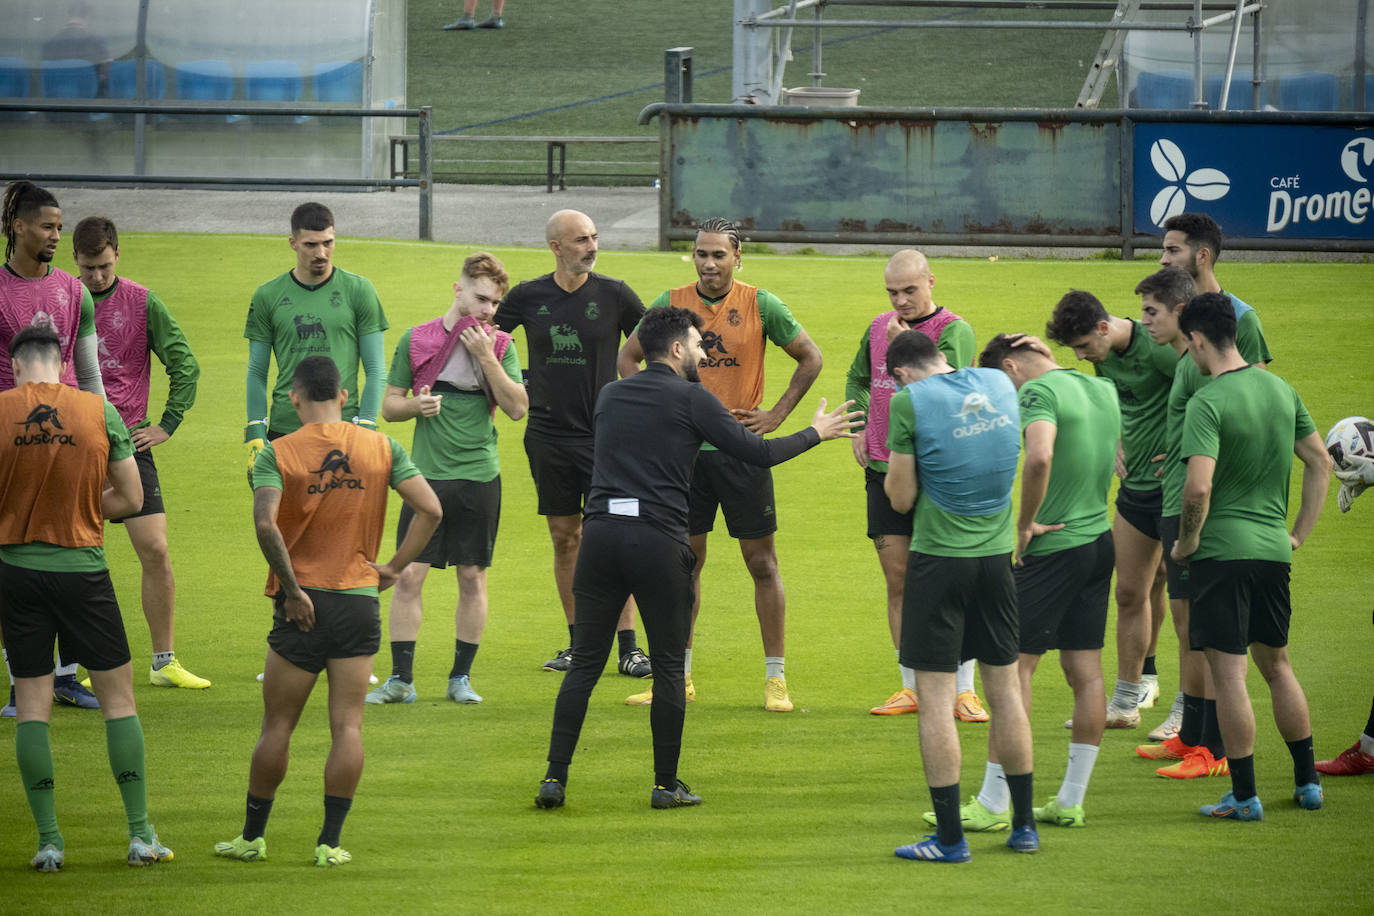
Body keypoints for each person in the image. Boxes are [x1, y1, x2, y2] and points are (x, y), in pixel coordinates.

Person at [533, 306, 861, 811]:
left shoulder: (610, 395)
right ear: (678, 349)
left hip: (600, 537)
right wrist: (816, 432)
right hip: (657, 542)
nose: (706, 353)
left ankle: (554, 778)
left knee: (586, 665)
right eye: (698, 344)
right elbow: (757, 454)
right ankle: (665, 786)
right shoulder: (694, 399)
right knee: (667, 666)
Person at [216, 357, 441, 867]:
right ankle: (330, 843)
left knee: (277, 727)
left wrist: (293, 593)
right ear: (344, 397)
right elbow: (431, 509)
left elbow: (265, 526)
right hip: (359, 604)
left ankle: (252, 838)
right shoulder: (383, 446)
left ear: (294, 399)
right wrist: (393, 568)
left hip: (303, 605)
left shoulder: (277, 453)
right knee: (349, 727)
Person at [617, 218, 823, 712]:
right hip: (682, 459)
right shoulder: (671, 303)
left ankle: (776, 680)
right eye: (701, 254)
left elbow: (810, 357)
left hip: (739, 454)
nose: (709, 264)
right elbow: (629, 358)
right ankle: (678, 678)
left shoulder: (760, 304)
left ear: (737, 258)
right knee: (682, 566)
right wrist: (655, 413)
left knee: (762, 563)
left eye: (718, 255)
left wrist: (776, 414)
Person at [0, 324, 173, 872]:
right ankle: (140, 835)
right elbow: (132, 496)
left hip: (16, 574)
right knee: (119, 702)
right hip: (83, 573)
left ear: (17, 367)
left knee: (31, 709)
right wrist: (79, 507)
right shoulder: (99, 412)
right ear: (62, 365)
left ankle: (49, 842)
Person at [1171, 293, 1328, 821]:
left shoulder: (1207, 402)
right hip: (1271, 552)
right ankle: (1307, 783)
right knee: (1279, 667)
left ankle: (1243, 795)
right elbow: (1320, 462)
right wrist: (1297, 535)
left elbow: (1197, 488)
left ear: (1196, 340)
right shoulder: (1281, 390)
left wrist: (1188, 543)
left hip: (1221, 554)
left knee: (1231, 676)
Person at [952, 333, 1118, 833]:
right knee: (1085, 672)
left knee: (1010, 671)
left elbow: (1040, 455)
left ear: (1011, 368)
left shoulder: (1035, 393)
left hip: (1051, 550)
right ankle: (1070, 799)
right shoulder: (1098, 388)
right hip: (1098, 541)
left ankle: (994, 800)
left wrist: (1024, 524)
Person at [883, 330, 1038, 863]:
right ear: (942, 358)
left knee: (935, 699)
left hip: (939, 561)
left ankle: (950, 840)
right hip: (997, 561)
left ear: (901, 373)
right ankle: (1023, 828)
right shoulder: (998, 381)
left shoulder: (908, 402)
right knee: (1006, 693)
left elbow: (901, 499)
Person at [494, 209, 650, 678]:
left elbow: (655, 346)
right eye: (581, 239)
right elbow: (486, 339)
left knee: (617, 539)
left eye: (595, 237)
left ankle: (629, 648)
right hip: (548, 439)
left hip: (608, 441)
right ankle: (581, 644)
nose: (592, 246)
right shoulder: (526, 297)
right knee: (566, 540)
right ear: (556, 247)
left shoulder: (616, 295)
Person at [1134, 268, 1276, 779]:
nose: (1145, 321)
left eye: (1153, 311)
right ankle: (1191, 734)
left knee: (1203, 631)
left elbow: (1227, 429)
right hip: (1173, 500)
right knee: (1186, 627)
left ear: (1180, 315)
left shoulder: (1201, 369)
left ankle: (1211, 748)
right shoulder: (1182, 364)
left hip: (1194, 511)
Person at [367, 253, 527, 706]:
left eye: (495, 303)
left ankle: (461, 679)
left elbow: (517, 408)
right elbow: (389, 406)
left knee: (473, 577)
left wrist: (484, 357)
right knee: (410, 576)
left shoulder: (500, 346)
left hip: (480, 476)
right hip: (425, 479)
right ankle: (401, 680)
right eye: (481, 298)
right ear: (457, 290)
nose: (487, 310)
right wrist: (416, 407)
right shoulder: (417, 339)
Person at [845, 248, 988, 722]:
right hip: (883, 472)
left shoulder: (953, 332)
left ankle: (963, 690)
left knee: (951, 583)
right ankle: (911, 686)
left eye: (909, 290)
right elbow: (857, 378)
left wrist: (906, 344)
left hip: (938, 475)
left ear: (931, 281)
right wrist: (863, 424)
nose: (901, 300)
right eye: (892, 292)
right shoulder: (876, 327)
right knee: (899, 580)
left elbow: (955, 396)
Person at [70, 216, 209, 690]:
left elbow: (185, 363)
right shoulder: (63, 299)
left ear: (118, 255)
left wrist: (167, 424)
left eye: (104, 266)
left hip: (128, 443)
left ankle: (164, 661)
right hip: (70, 444)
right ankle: (80, 669)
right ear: (75, 261)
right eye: (88, 268)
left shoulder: (143, 302)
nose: (96, 277)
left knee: (154, 548)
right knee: (75, 555)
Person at [1045, 289, 1178, 729]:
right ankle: (1124, 703)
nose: (1081, 357)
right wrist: (1118, 437)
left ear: (1104, 328)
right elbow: (1116, 399)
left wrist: (1182, 451)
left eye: (1084, 346)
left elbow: (1204, 393)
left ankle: (1190, 711)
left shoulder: (1159, 351)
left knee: (1186, 603)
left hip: (1176, 491)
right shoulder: (1104, 355)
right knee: (1128, 592)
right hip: (1135, 488)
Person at [0, 180, 106, 714]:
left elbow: (88, 374)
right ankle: (25, 680)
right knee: (15, 556)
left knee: (67, 552)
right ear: (17, 226)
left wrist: (103, 437)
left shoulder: (75, 290)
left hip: (68, 441)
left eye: (60, 228)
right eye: (47, 226)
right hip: (12, 443)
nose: (56, 237)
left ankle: (65, 675)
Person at [245, 202, 388, 463]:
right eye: (311, 245)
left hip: (345, 429)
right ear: (293, 243)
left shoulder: (359, 291)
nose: (321, 253)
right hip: (286, 429)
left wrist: (367, 424)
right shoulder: (267, 296)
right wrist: (256, 428)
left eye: (328, 243)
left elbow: (376, 370)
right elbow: (256, 371)